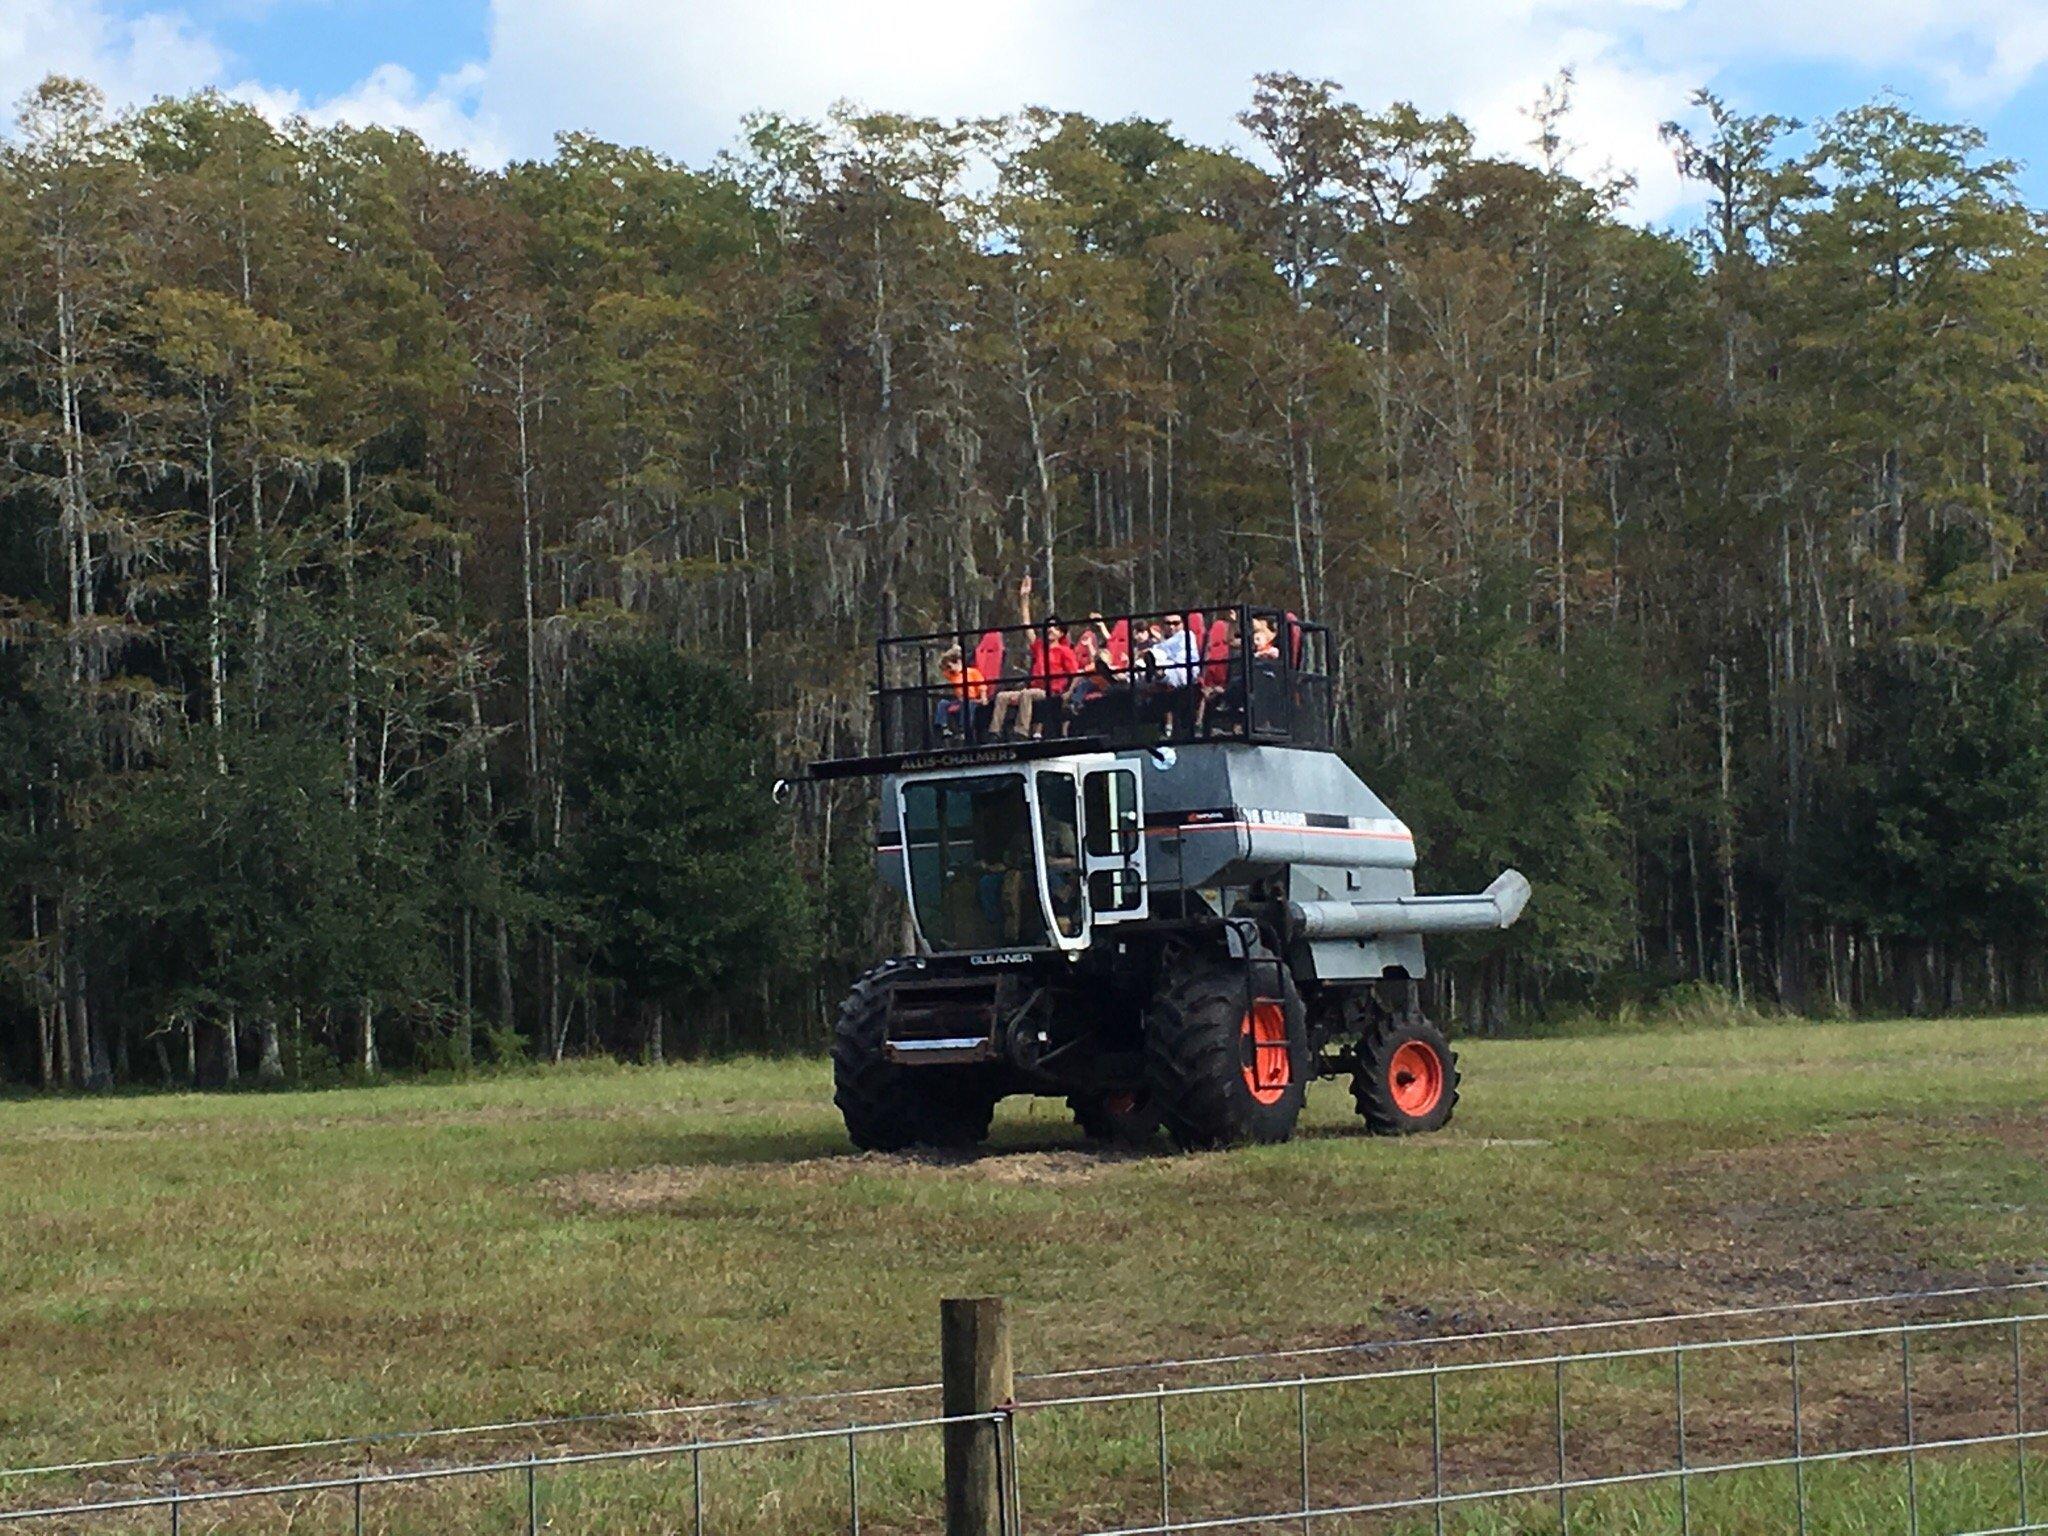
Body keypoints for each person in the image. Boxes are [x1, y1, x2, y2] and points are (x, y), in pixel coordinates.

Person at [989, 574, 1078, 738]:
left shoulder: (1065, 651)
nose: (1050, 630)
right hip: (1034, 689)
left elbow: (1076, 674)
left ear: (1061, 633)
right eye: (1049, 627)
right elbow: (1026, 626)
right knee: (1002, 696)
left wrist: (1068, 693)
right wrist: (1024, 599)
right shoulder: (1039, 646)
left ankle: (1021, 731)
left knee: (1026, 694)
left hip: (1050, 691)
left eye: (1055, 628)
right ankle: (994, 732)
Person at [932, 643, 989, 739]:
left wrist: (983, 698)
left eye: (950, 666)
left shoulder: (972, 672)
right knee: (943, 703)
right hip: (959, 700)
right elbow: (941, 665)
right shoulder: (953, 675)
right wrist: (952, 652)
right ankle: (943, 727)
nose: (949, 669)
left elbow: (981, 685)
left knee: (968, 705)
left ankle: (963, 729)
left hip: (972, 700)